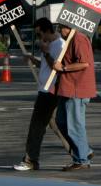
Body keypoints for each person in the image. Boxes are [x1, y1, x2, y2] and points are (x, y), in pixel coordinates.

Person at [13, 18, 65, 171]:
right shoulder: (48, 45)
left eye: (40, 34)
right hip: (44, 89)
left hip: (49, 91)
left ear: (47, 30)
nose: (39, 38)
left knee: (36, 127)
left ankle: (30, 160)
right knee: (58, 126)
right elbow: (45, 65)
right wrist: (33, 59)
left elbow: (56, 67)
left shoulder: (58, 45)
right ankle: (81, 153)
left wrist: (46, 53)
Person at [53, 24, 97, 171]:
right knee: (61, 122)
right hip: (68, 89)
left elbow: (84, 63)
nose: (60, 31)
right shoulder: (71, 40)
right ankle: (85, 151)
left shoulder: (79, 39)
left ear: (69, 27)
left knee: (74, 126)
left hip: (77, 89)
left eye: (61, 28)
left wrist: (64, 68)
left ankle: (82, 159)